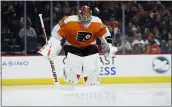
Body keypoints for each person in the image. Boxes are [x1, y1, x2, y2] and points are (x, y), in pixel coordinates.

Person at [38, 5, 118, 85]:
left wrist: (109, 44)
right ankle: (71, 76)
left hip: (90, 45)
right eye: (84, 16)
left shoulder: (96, 22)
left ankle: (91, 82)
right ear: (79, 15)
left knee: (91, 71)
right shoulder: (69, 21)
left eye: (87, 16)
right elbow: (57, 31)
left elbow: (105, 34)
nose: (86, 18)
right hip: (72, 45)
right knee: (73, 76)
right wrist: (51, 46)